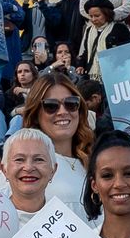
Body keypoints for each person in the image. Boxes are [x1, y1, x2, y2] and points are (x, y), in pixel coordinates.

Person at [15, 73, 92, 208]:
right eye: (51, 106)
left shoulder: (94, 159)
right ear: (35, 114)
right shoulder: (20, 166)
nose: (62, 111)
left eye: (71, 103)